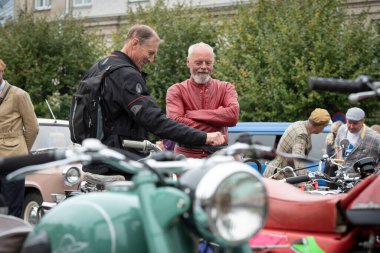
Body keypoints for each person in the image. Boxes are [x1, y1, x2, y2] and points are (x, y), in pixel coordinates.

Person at [82, 25, 225, 177]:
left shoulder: (99, 67)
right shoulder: (126, 75)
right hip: (119, 165)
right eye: (150, 53)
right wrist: (204, 136)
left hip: (93, 160)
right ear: (134, 43)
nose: (151, 60)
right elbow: (155, 121)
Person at [166, 42, 239, 158]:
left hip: (218, 157)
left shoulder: (226, 87)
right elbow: (175, 123)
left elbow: (233, 116)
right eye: (198, 62)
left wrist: (191, 114)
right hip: (186, 158)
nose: (204, 67)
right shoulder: (176, 90)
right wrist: (217, 126)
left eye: (208, 63)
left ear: (213, 64)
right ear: (188, 62)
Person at [0, 58, 39, 218]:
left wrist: (21, 151)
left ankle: (11, 242)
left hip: (13, 162)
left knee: (12, 210)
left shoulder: (19, 95)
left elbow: (33, 128)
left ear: (1, 72)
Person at [263, 108, 331, 179]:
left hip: (277, 172)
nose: (323, 129)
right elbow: (299, 161)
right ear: (319, 126)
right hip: (278, 176)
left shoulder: (299, 124)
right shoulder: (301, 135)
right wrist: (303, 182)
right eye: (324, 126)